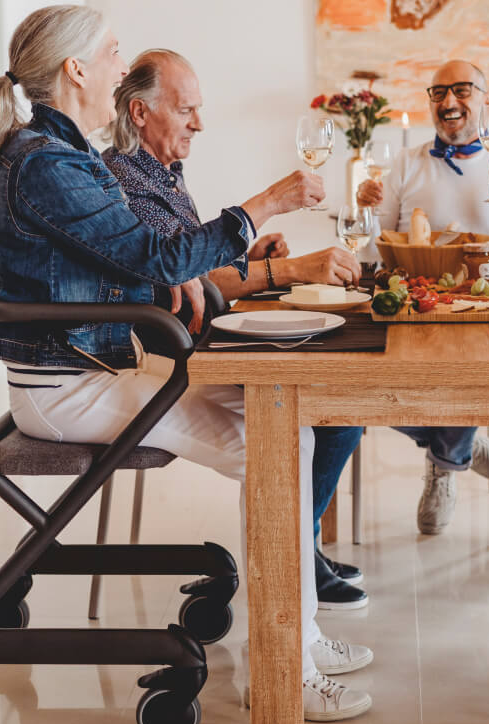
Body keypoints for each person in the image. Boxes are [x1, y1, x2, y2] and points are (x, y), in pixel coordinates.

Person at [0, 6, 370, 721]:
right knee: (275, 447)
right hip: (68, 386)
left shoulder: (60, 152)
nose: (120, 59)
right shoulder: (47, 163)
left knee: (283, 427)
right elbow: (158, 255)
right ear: (76, 70)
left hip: (91, 369)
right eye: (112, 50)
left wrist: (176, 273)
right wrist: (267, 203)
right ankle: (281, 669)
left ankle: (300, 634)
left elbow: (137, 260)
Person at [101, 49, 368, 613]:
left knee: (339, 407)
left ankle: (303, 549)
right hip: (172, 354)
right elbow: (177, 275)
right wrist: (291, 268)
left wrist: (249, 255)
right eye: (186, 109)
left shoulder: (162, 173)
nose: (200, 123)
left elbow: (195, 269)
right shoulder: (124, 179)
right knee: (326, 409)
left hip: (193, 341)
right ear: (139, 112)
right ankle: (296, 564)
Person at [357, 59, 489, 535]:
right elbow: (374, 251)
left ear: (487, 98)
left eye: (462, 90)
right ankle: (458, 447)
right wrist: (366, 212)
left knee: (462, 374)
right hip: (410, 307)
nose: (449, 101)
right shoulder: (404, 163)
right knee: (359, 387)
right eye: (438, 92)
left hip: (482, 311)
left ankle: (445, 464)